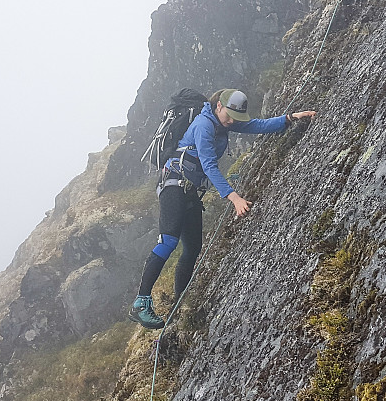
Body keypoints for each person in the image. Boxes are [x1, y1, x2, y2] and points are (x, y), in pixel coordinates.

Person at [128, 88, 316, 329]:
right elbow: (208, 165)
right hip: (173, 184)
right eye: (229, 116)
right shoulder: (204, 125)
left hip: (190, 191)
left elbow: (256, 125)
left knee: (193, 248)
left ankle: (178, 304)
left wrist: (290, 118)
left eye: (235, 119)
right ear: (218, 106)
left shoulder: (223, 123)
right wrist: (234, 197)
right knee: (168, 241)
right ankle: (140, 303)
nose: (231, 122)